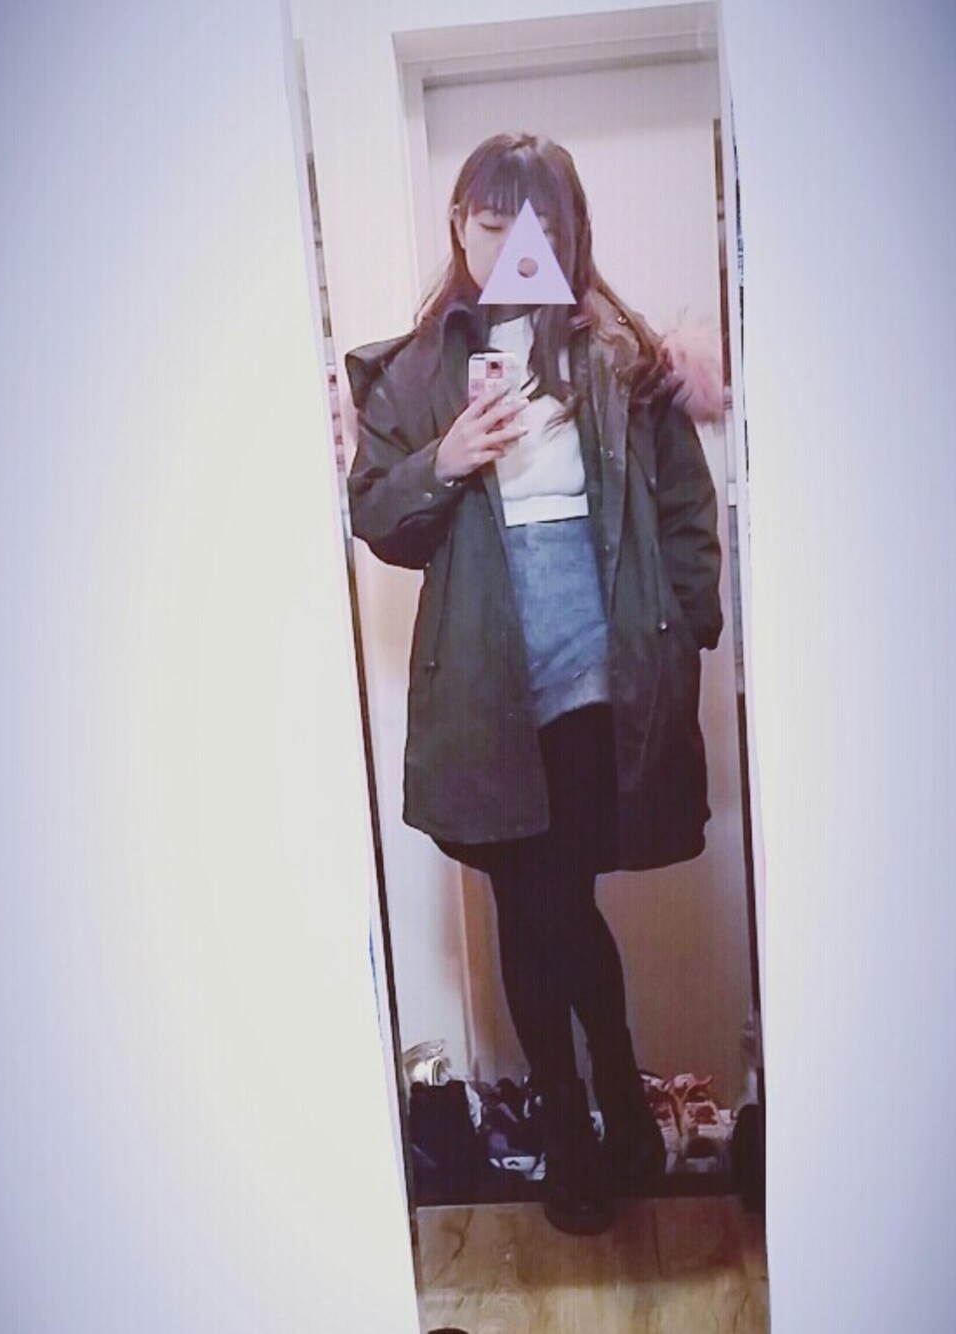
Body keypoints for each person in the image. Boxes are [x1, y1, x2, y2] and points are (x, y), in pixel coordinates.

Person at [345, 133, 723, 1236]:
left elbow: (684, 507)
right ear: (460, 226)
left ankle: (594, 1117)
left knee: (548, 898)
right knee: (537, 901)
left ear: (570, 232)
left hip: (600, 677)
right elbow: (378, 518)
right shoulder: (418, 371)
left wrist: (687, 635)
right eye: (493, 218)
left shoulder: (622, 357)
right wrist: (448, 456)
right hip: (488, 687)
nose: (518, 239)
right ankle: (594, 1114)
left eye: (542, 220)